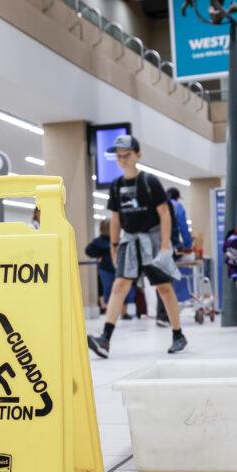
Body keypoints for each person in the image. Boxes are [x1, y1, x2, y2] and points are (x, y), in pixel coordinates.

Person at [88, 135, 187, 358]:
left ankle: (178, 334)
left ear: (137, 156)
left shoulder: (150, 182)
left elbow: (164, 214)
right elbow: (115, 218)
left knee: (164, 288)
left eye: (127, 155)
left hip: (153, 241)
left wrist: (164, 245)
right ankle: (105, 339)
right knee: (119, 286)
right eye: (119, 156)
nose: (122, 159)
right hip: (129, 241)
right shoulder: (116, 186)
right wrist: (114, 245)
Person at [156, 187, 194, 326]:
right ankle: (164, 316)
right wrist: (188, 244)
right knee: (166, 281)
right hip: (169, 246)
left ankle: (161, 315)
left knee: (159, 280)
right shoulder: (177, 206)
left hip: (154, 245)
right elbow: (183, 226)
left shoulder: (157, 203)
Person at [86, 220, 133, 319]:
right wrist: (98, 255)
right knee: (108, 290)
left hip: (120, 269)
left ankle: (124, 313)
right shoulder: (99, 241)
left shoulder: (118, 239)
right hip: (106, 270)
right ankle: (110, 313)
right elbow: (88, 250)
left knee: (123, 290)